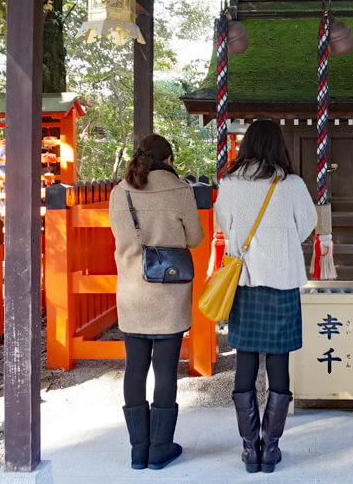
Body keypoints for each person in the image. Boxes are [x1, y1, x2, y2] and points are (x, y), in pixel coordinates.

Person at [214, 119, 317, 473]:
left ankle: (248, 451)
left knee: (244, 363)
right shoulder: (292, 184)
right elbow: (307, 223)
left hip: (245, 281)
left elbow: (223, 226)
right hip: (283, 281)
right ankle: (270, 449)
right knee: (278, 365)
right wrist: (283, 242)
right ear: (279, 146)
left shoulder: (228, 184)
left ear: (246, 146)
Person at [108, 134, 204, 470]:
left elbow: (118, 236)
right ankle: (160, 448)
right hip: (169, 293)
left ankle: (138, 450)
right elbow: (195, 238)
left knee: (134, 369)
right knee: (165, 371)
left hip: (132, 292)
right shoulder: (179, 191)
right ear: (170, 158)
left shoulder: (119, 192)